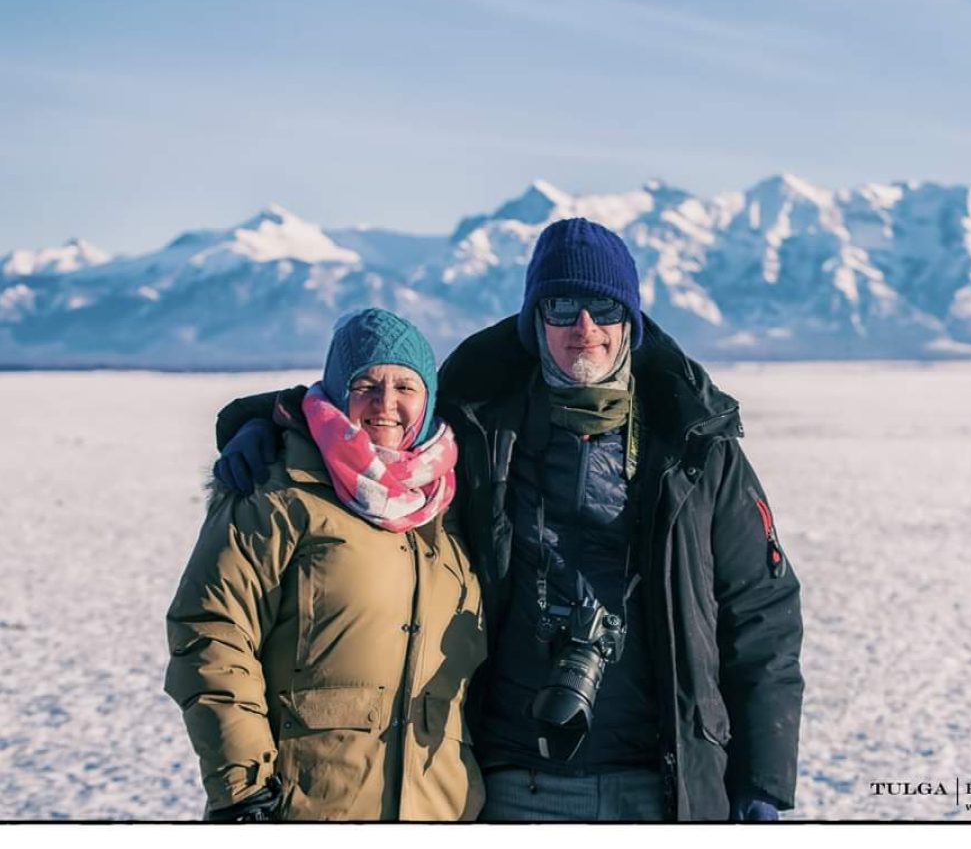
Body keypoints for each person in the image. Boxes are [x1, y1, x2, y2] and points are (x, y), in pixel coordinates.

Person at [215, 218, 804, 822]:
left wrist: (762, 778)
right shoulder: (476, 422)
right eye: (561, 307)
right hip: (515, 781)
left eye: (603, 306)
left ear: (631, 320)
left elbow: (762, 613)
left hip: (666, 779)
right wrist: (270, 423)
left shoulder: (697, 445)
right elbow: (373, 414)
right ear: (534, 321)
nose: (584, 328)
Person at [165, 309, 486, 821]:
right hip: (304, 808)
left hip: (437, 810)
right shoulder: (277, 491)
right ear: (337, 390)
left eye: (406, 386)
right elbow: (212, 631)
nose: (386, 404)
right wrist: (243, 789)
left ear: (428, 400)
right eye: (366, 384)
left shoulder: (453, 508)